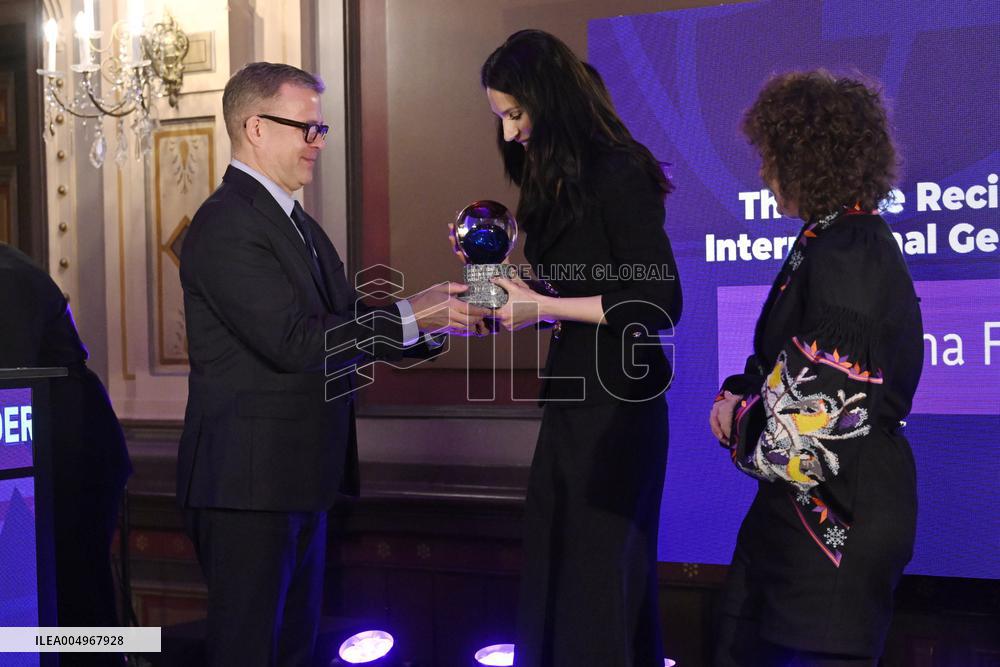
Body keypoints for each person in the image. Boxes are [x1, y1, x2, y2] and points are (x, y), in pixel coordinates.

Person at [178, 62, 489, 667]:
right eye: (308, 128)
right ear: (256, 128)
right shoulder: (225, 225)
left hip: (295, 479)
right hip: (246, 489)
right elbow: (296, 343)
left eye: (321, 130)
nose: (318, 142)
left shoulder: (298, 225)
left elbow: (345, 323)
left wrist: (435, 319)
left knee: (292, 653)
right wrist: (412, 316)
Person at [477, 30, 682, 666]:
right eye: (501, 118)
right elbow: (586, 289)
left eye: (515, 114)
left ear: (550, 99)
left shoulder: (619, 169)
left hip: (619, 410)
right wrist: (517, 297)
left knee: (596, 596)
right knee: (560, 584)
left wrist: (541, 305)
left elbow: (658, 300)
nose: (510, 134)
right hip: (573, 399)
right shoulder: (552, 180)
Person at [709, 71, 923, 667]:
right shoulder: (830, 241)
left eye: (769, 156)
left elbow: (805, 430)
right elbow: (785, 368)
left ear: (804, 157)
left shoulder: (850, 252)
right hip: (796, 524)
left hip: (833, 532)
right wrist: (742, 394)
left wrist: (735, 415)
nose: (761, 171)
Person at [0, 243, 131, 667]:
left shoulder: (8, 275)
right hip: (48, 454)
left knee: (73, 597)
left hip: (67, 456)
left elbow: (12, 382)